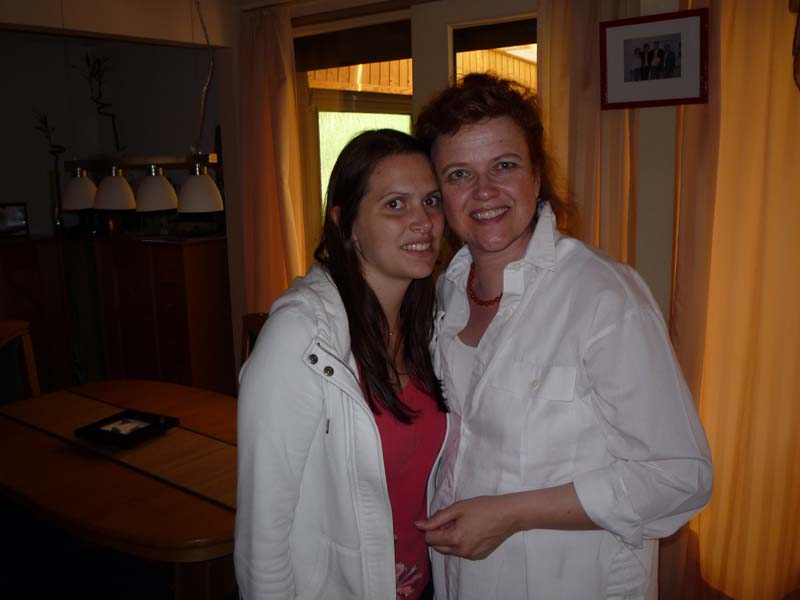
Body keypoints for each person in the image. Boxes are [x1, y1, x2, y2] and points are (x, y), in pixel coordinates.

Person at [413, 73, 713, 599]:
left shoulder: (604, 298)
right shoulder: (447, 293)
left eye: (504, 165)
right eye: (460, 174)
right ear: (439, 196)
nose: (484, 191)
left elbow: (679, 478)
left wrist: (512, 514)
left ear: (536, 176)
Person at [235, 129, 448, 600]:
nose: (424, 221)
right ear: (345, 222)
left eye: (431, 201)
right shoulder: (299, 338)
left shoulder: (432, 325)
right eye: (395, 204)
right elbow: (262, 535)